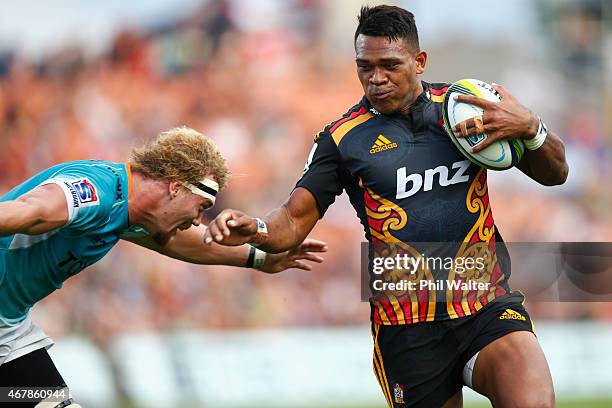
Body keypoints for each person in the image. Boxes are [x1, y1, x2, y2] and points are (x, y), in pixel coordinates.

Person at [203, 5, 569, 408]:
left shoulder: (467, 109)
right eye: (365, 67)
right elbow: (291, 221)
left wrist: (532, 129)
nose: (376, 79)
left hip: (485, 305)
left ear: (419, 61)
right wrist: (254, 229)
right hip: (407, 330)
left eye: (389, 66)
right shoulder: (342, 140)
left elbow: (556, 173)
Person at [0, 126, 326, 408]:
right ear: (175, 187)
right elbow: (31, 211)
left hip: (8, 331)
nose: (197, 220)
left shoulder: (130, 213)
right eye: (201, 207)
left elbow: (183, 241)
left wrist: (261, 258)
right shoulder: (95, 192)